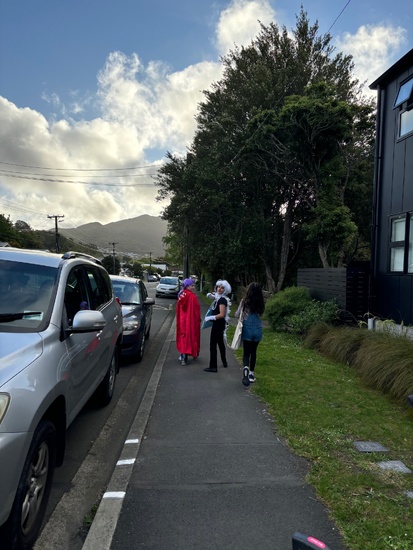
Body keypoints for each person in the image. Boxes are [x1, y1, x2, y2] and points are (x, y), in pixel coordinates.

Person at [235, 282, 265, 386]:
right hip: (257, 330)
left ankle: (245, 368)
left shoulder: (244, 302)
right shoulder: (261, 303)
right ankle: (251, 374)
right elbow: (261, 314)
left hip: (247, 330)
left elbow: (237, 314)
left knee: (246, 352)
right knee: (254, 352)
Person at [204, 279, 232, 373]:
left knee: (213, 345)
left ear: (225, 290)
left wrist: (210, 317)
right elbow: (216, 297)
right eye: (218, 287)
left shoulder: (222, 300)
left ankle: (213, 366)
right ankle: (224, 362)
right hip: (219, 324)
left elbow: (222, 314)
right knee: (220, 343)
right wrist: (212, 296)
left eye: (222, 288)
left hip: (218, 324)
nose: (219, 289)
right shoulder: (219, 298)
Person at [176, 278, 201, 365]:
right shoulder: (192, 296)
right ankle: (190, 354)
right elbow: (196, 310)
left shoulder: (181, 295)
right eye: (192, 286)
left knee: (183, 336)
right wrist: (198, 319)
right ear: (187, 286)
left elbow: (178, 309)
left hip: (182, 320)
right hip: (190, 321)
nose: (193, 287)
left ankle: (183, 356)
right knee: (191, 336)